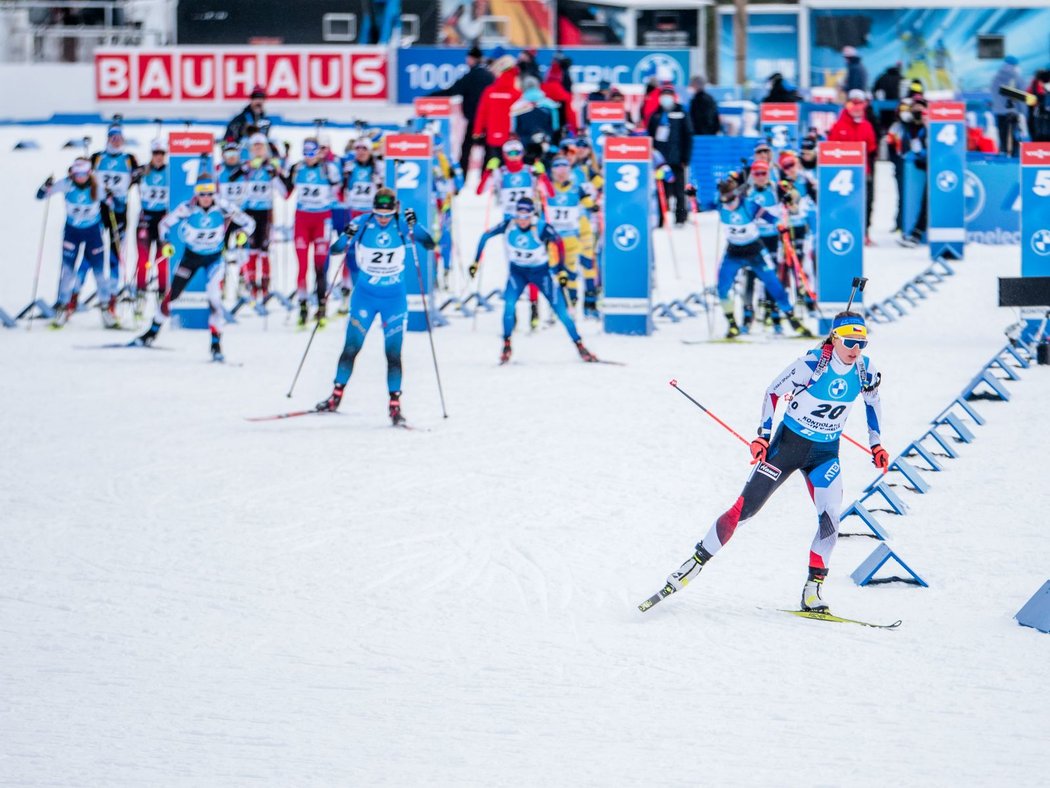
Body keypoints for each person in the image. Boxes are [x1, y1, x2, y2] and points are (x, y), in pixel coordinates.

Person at [654, 312, 888, 614]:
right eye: (849, 342)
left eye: (862, 343)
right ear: (834, 337)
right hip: (787, 447)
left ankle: (813, 590)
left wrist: (877, 444)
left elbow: (873, 402)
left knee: (831, 519)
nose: (855, 349)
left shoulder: (864, 370)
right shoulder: (811, 365)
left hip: (826, 454)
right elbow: (773, 392)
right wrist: (762, 436)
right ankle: (694, 563)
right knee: (744, 509)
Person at [313, 188, 435, 426]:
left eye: (387, 214)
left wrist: (415, 226)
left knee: (392, 353)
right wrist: (346, 235)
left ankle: (395, 405)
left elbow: (429, 244)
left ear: (395, 210)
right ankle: (335, 397)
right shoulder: (361, 222)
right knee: (351, 347)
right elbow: (336, 250)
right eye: (378, 213)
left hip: (394, 299)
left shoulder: (400, 224)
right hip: (365, 297)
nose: (382, 218)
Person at [134, 172, 255, 360]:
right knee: (172, 294)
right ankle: (151, 333)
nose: (206, 198)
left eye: (209, 193)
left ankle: (216, 344)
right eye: (202, 193)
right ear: (196, 193)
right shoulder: (187, 208)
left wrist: (242, 234)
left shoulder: (224, 207)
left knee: (214, 297)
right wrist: (165, 243)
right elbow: (164, 224)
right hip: (191, 257)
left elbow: (250, 223)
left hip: (214, 259)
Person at [471, 197, 597, 364]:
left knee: (562, 312)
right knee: (508, 306)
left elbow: (558, 242)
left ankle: (580, 347)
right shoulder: (508, 224)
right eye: (519, 216)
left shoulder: (541, 227)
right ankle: (507, 345)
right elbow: (485, 236)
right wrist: (475, 262)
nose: (522, 221)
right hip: (518, 273)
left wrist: (560, 270)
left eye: (526, 217)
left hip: (540, 273)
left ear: (532, 215)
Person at [693, 173, 813, 339]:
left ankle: (793, 321)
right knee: (722, 287)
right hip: (734, 251)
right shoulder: (721, 204)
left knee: (774, 285)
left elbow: (772, 218)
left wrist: (782, 225)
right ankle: (732, 325)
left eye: (731, 200)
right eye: (725, 201)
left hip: (754, 251)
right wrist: (692, 194)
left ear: (737, 195)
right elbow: (702, 206)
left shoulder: (749, 205)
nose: (729, 205)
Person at [36, 158, 116, 328]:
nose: (79, 178)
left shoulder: (97, 186)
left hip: (93, 233)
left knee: (100, 273)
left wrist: (110, 198)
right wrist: (46, 186)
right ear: (71, 173)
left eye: (83, 174)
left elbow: (116, 204)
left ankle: (106, 311)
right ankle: (62, 310)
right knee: (67, 272)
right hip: (72, 232)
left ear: (89, 174)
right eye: (76, 174)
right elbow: (41, 196)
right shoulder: (66, 184)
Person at [84, 123, 138, 311]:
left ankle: (113, 293)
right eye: (113, 137)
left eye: (119, 138)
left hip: (120, 212)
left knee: (115, 252)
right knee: (92, 252)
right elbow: (84, 178)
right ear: (108, 139)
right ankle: (75, 295)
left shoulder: (129, 158)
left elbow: (137, 178)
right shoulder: (97, 157)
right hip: (99, 211)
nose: (116, 141)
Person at [288, 138, 341, 325]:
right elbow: (286, 193)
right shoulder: (297, 169)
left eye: (312, 153)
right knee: (302, 266)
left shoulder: (328, 169)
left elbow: (340, 193)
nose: (309, 157)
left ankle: (321, 307)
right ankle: (302, 306)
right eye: (306, 153)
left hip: (321, 220)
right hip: (302, 220)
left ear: (319, 152)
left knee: (320, 266)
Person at [429, 46, 495, 175]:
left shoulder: (471, 76)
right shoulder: (490, 76)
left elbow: (453, 90)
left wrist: (430, 96)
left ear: (471, 59)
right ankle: (486, 176)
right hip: (488, 120)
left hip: (473, 119)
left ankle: (462, 176)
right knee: (488, 149)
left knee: (466, 148)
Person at [239, 133, 289, 305]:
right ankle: (252, 287)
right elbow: (235, 184)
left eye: (261, 147)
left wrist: (276, 173)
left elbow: (285, 193)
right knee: (251, 250)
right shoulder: (246, 167)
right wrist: (249, 169)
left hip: (266, 213)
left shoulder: (270, 167)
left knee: (265, 250)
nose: (259, 150)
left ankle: (265, 288)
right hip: (249, 214)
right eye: (255, 147)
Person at [828, 95, 877, 242]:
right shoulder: (838, 126)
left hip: (863, 171)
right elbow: (831, 148)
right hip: (843, 174)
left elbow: (871, 147)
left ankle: (865, 232)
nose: (856, 108)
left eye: (859, 105)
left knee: (866, 202)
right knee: (845, 202)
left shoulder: (867, 125)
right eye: (853, 104)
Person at [132, 139, 171, 316]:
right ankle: (140, 292)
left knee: (162, 260)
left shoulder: (171, 171)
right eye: (155, 153)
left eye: (162, 154)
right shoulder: (144, 170)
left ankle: (162, 294)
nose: (158, 157)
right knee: (143, 260)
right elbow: (126, 180)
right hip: (145, 218)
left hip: (163, 219)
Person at [647, 86, 693, 226]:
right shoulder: (656, 115)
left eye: (669, 95)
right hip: (661, 161)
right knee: (662, 190)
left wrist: (685, 158)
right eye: (663, 95)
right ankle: (661, 220)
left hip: (677, 160)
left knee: (679, 190)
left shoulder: (681, 113)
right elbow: (651, 138)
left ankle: (680, 218)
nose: (666, 98)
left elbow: (688, 136)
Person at [472, 56, 521, 164]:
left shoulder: (489, 91)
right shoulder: (516, 94)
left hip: (492, 136)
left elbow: (481, 113)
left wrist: (477, 132)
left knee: (492, 165)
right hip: (510, 137)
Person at [897, 98, 929, 247]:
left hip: (937, 169)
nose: (918, 113)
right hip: (919, 168)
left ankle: (917, 234)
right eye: (915, 109)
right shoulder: (909, 127)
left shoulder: (932, 127)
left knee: (928, 201)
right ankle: (913, 232)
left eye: (921, 110)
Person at [1026, 68, 1050, 144]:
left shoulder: (1044, 87)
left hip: (1042, 117)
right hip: (1036, 117)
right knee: (1038, 134)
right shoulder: (1033, 86)